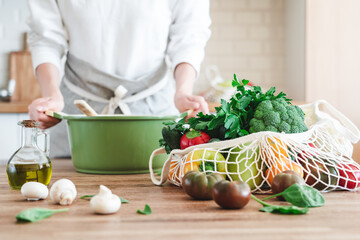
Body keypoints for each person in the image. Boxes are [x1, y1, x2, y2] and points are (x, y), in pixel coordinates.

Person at [27, 0, 211, 157]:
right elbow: (45, 38)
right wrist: (51, 94)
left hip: (153, 113)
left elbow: (190, 36)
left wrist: (183, 91)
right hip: (77, 118)